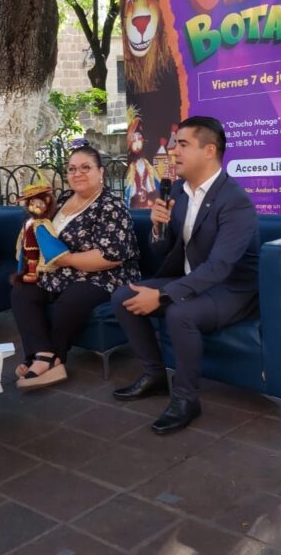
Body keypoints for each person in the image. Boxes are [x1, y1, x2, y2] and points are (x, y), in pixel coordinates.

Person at [111, 116, 259, 435]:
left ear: (209, 151)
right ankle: (153, 375)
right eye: (175, 143)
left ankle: (186, 399)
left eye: (182, 144)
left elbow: (220, 266)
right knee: (124, 296)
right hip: (192, 279)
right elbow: (166, 250)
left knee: (180, 313)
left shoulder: (235, 202)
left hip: (230, 289)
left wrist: (164, 295)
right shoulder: (178, 189)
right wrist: (157, 225)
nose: (174, 151)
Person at [12, 145, 141, 391]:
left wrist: (65, 260)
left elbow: (110, 257)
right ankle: (41, 355)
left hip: (104, 275)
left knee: (71, 300)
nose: (77, 173)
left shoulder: (111, 206)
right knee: (22, 290)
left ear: (101, 172)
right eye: (72, 169)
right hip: (59, 272)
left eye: (85, 167)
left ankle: (54, 357)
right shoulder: (60, 200)